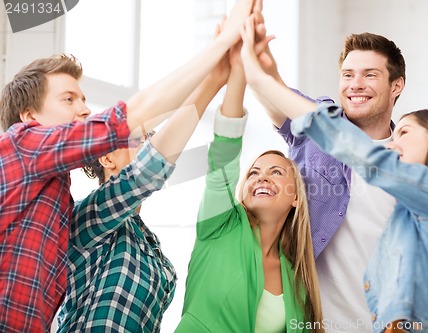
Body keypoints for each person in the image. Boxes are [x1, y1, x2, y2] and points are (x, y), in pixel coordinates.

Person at [0, 0, 254, 331]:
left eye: (83, 99)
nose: (85, 109)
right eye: (68, 99)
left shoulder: (61, 212)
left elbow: (149, 166)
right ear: (29, 117)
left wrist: (215, 80)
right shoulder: (21, 146)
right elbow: (138, 154)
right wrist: (218, 49)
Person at [248, 2, 428, 331]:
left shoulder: (419, 179)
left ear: (396, 86)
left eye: (370, 75)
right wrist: (263, 74)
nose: (355, 84)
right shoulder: (322, 131)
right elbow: (282, 105)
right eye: (348, 74)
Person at [55, 38, 233, 332]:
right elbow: (146, 172)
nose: (151, 144)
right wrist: (212, 80)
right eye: (141, 140)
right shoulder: (89, 217)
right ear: (108, 157)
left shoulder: (148, 241)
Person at [175, 35, 323, 333]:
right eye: (254, 172)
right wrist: (240, 69)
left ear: (296, 198)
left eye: (277, 173)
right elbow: (224, 153)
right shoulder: (218, 226)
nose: (262, 177)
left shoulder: (298, 281)